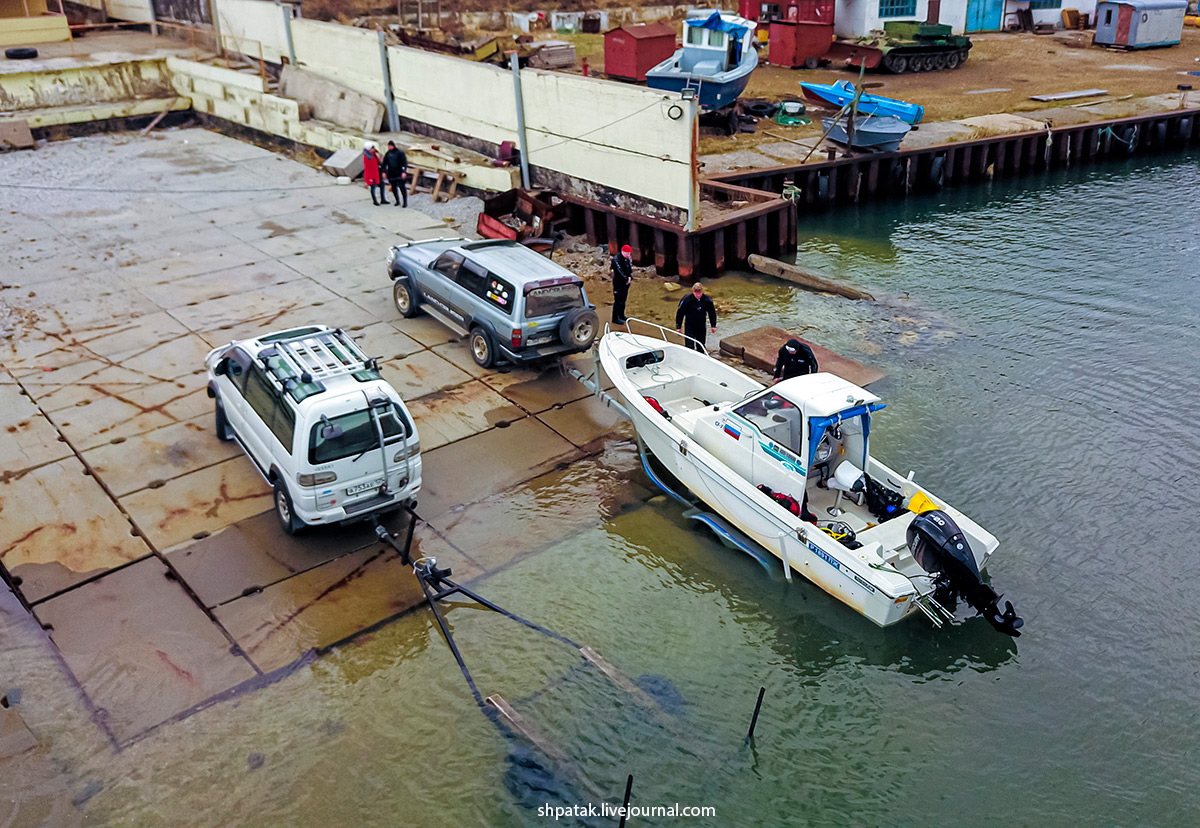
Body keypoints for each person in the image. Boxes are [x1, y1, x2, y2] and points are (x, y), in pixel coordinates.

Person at [675, 282, 716, 352]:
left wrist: (713, 325)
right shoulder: (686, 299)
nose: (698, 295)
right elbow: (680, 313)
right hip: (689, 326)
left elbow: (712, 313)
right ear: (693, 291)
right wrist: (678, 327)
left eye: (699, 292)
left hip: (701, 326)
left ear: (702, 291)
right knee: (689, 346)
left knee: (701, 345)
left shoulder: (707, 300)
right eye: (696, 292)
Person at [610, 244, 633, 325]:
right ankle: (615, 318)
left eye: (629, 254)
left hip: (625, 283)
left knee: (623, 300)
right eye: (627, 253)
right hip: (618, 284)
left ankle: (621, 315)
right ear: (623, 252)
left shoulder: (627, 259)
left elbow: (629, 269)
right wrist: (626, 278)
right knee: (618, 301)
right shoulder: (617, 259)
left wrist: (630, 276)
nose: (628, 255)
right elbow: (619, 271)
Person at [381, 140, 408, 208]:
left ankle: (405, 202)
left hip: (399, 173)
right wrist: (384, 172)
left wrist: (403, 172)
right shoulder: (388, 153)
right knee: (394, 188)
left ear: (393, 146)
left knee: (402, 188)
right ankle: (397, 201)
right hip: (391, 173)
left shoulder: (400, 153)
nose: (389, 147)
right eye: (388, 146)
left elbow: (404, 163)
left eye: (390, 146)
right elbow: (384, 163)